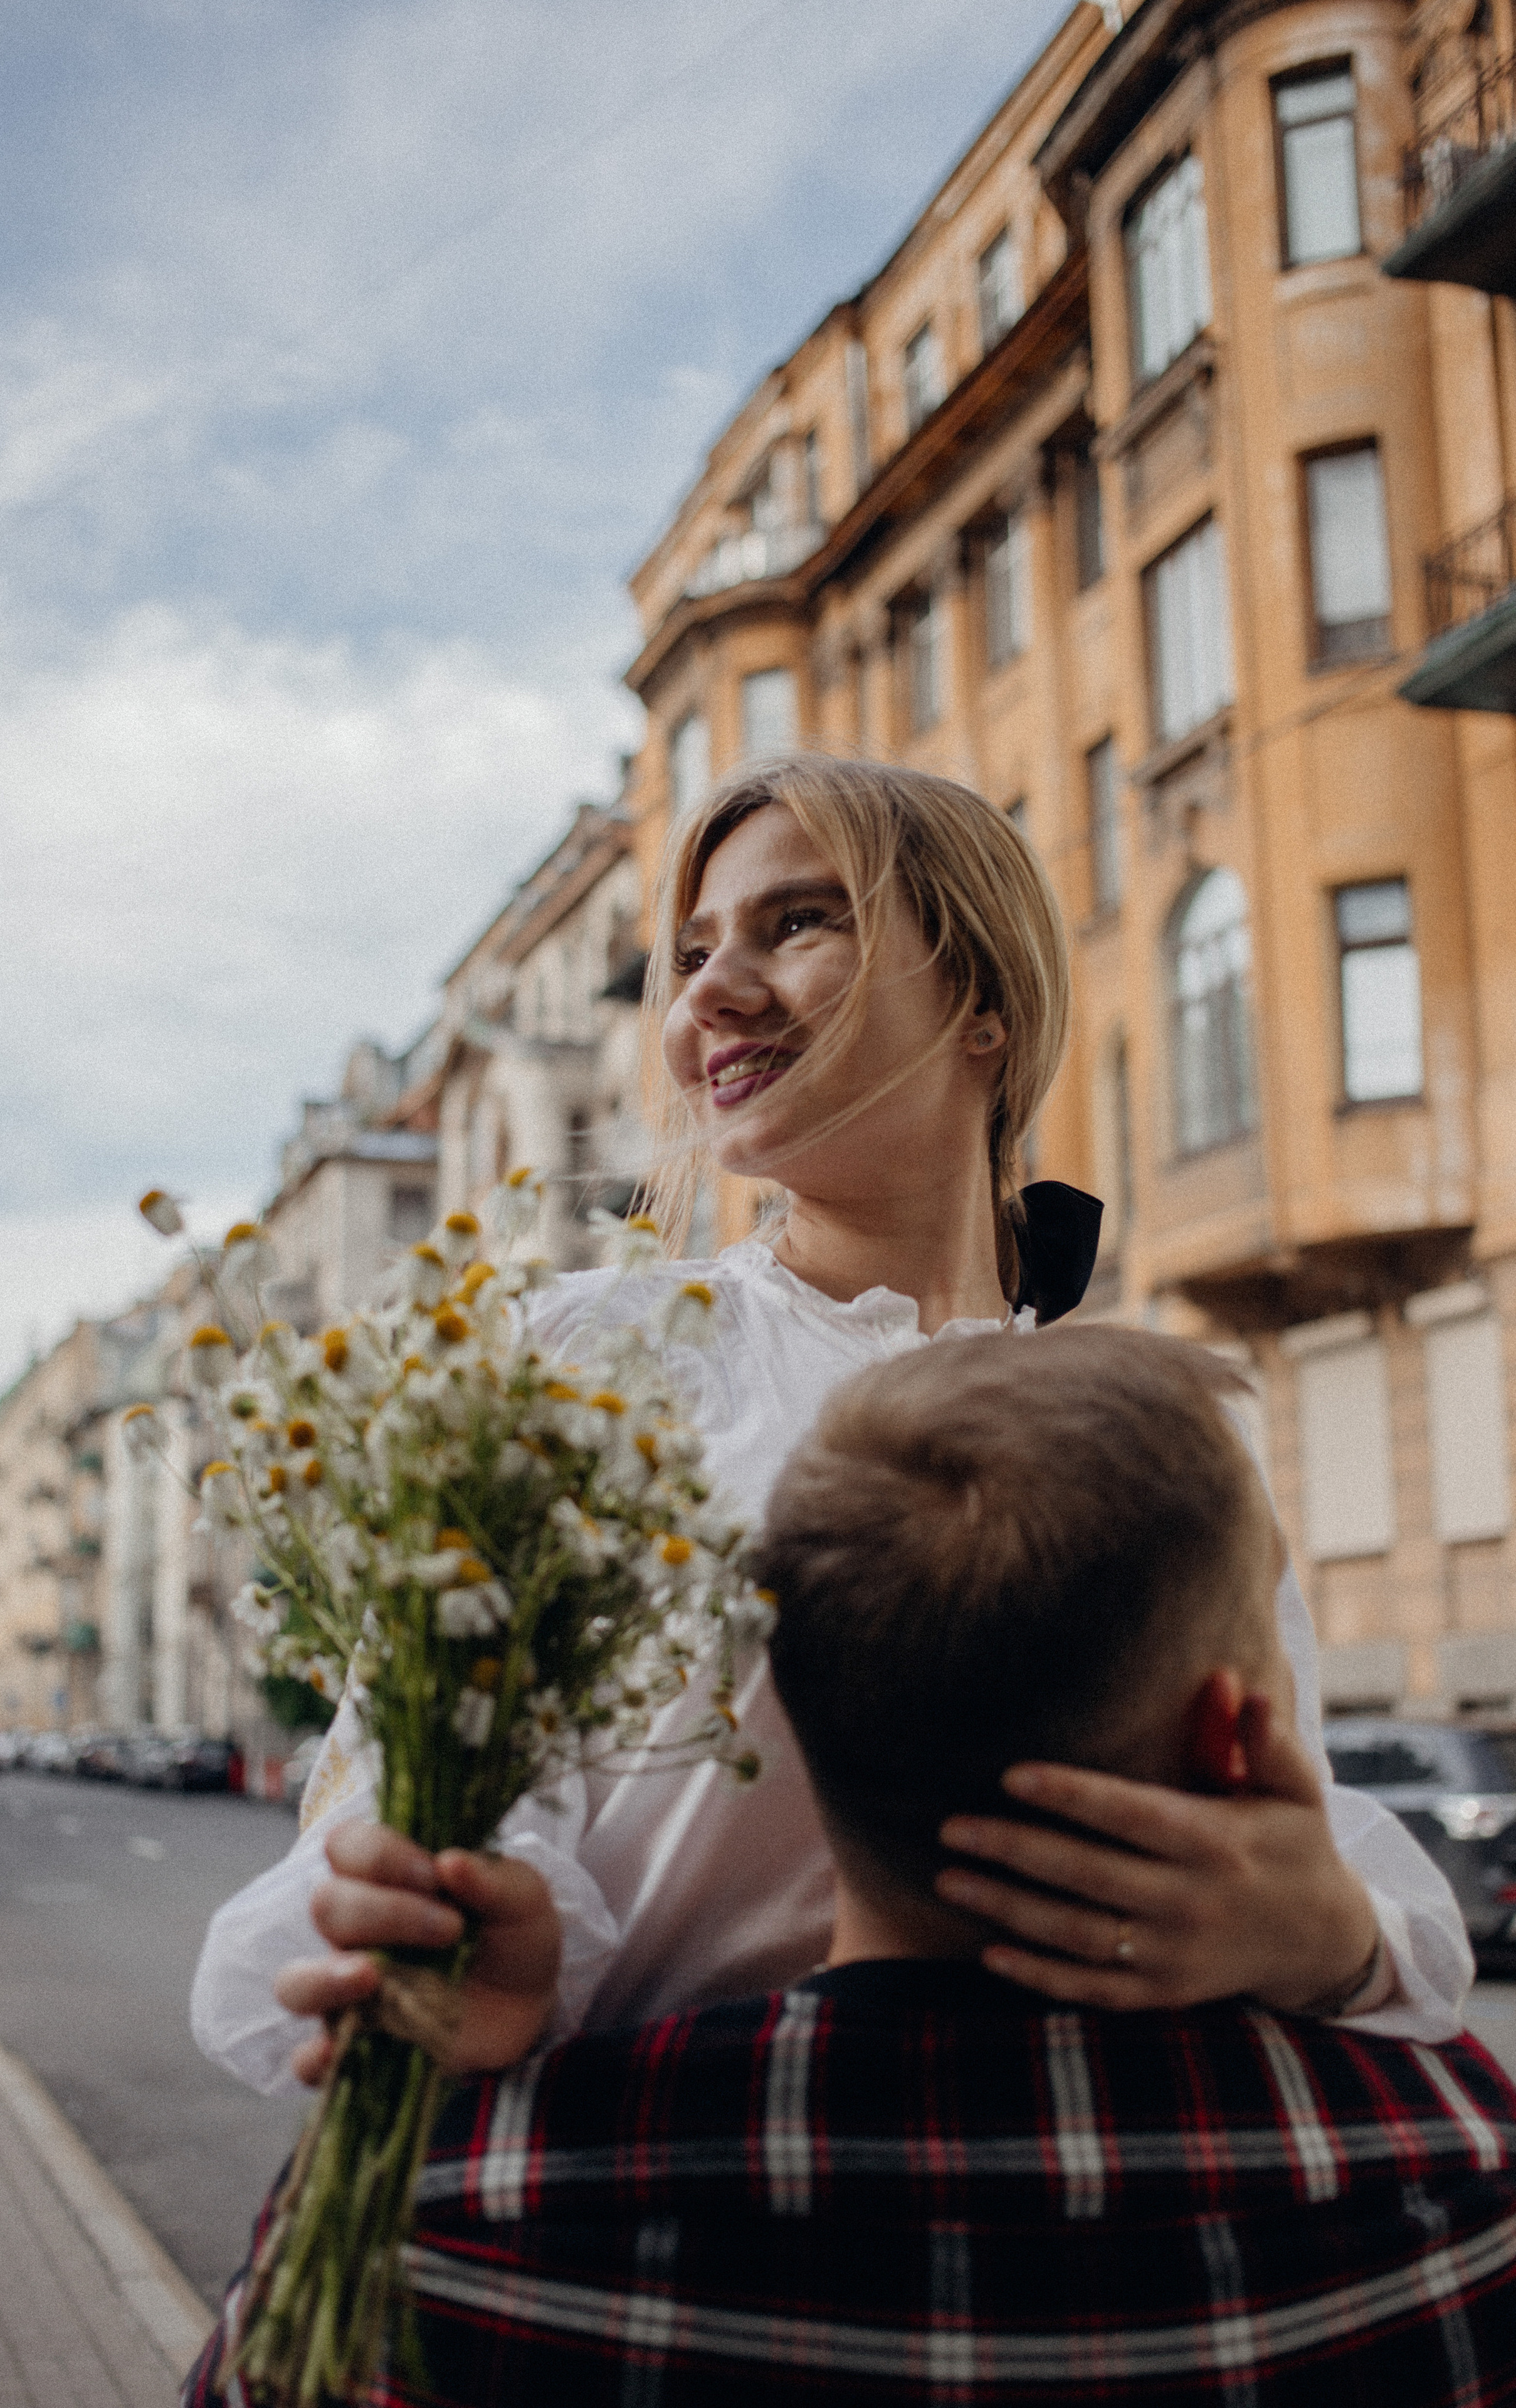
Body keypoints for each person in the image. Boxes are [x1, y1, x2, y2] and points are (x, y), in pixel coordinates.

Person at [191, 756, 1470, 2101]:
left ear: (980, 1002)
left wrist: (1325, 1938)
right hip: (647, 2176)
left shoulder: (1156, 1435)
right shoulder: (582, 1359)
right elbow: (401, 1789)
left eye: (797, 922)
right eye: (692, 954)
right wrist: (480, 1939)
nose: (707, 994)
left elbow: (1284, 1828)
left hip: (1072, 2189)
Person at [187, 1328, 1516, 2407]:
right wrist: (1348, 1956)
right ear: (1238, 1732)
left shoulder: (448, 2214)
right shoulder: (1455, 2170)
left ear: (798, 1731)